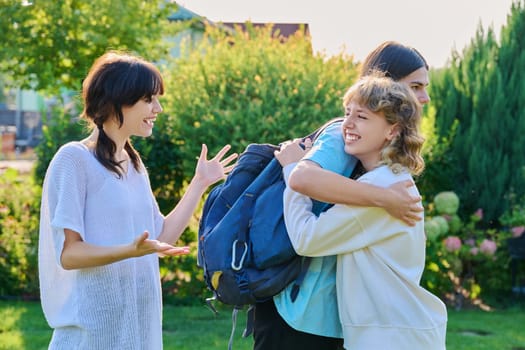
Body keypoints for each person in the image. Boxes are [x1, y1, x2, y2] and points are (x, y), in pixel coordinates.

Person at [38, 51, 237, 349]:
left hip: (139, 332)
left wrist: (199, 183)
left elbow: (161, 237)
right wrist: (129, 250)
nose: (157, 108)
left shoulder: (133, 164)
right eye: (148, 99)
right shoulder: (74, 159)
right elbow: (69, 254)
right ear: (117, 100)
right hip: (91, 336)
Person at [253, 41, 432, 350]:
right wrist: (381, 197)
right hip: (312, 316)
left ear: (392, 128)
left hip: (373, 330)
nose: (423, 98)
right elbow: (302, 178)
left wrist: (381, 197)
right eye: (414, 86)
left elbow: (308, 227)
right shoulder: (369, 166)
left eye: (359, 116)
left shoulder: (386, 183)